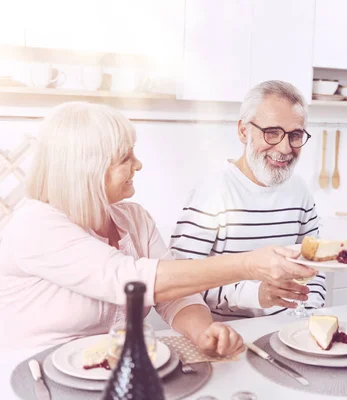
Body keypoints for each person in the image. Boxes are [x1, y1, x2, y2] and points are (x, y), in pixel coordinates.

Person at [0, 102, 316, 351]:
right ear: (87, 168)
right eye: (125, 157)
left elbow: (175, 296)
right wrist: (248, 264)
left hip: (109, 371)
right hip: (34, 375)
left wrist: (202, 331)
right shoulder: (35, 223)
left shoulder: (134, 219)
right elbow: (131, 280)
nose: (138, 165)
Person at [170, 81, 325, 320]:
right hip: (228, 333)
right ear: (243, 131)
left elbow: (316, 266)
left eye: (295, 135)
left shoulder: (300, 190)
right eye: (272, 132)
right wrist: (255, 295)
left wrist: (310, 317)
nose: (284, 148)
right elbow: (178, 283)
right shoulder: (212, 191)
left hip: (289, 329)